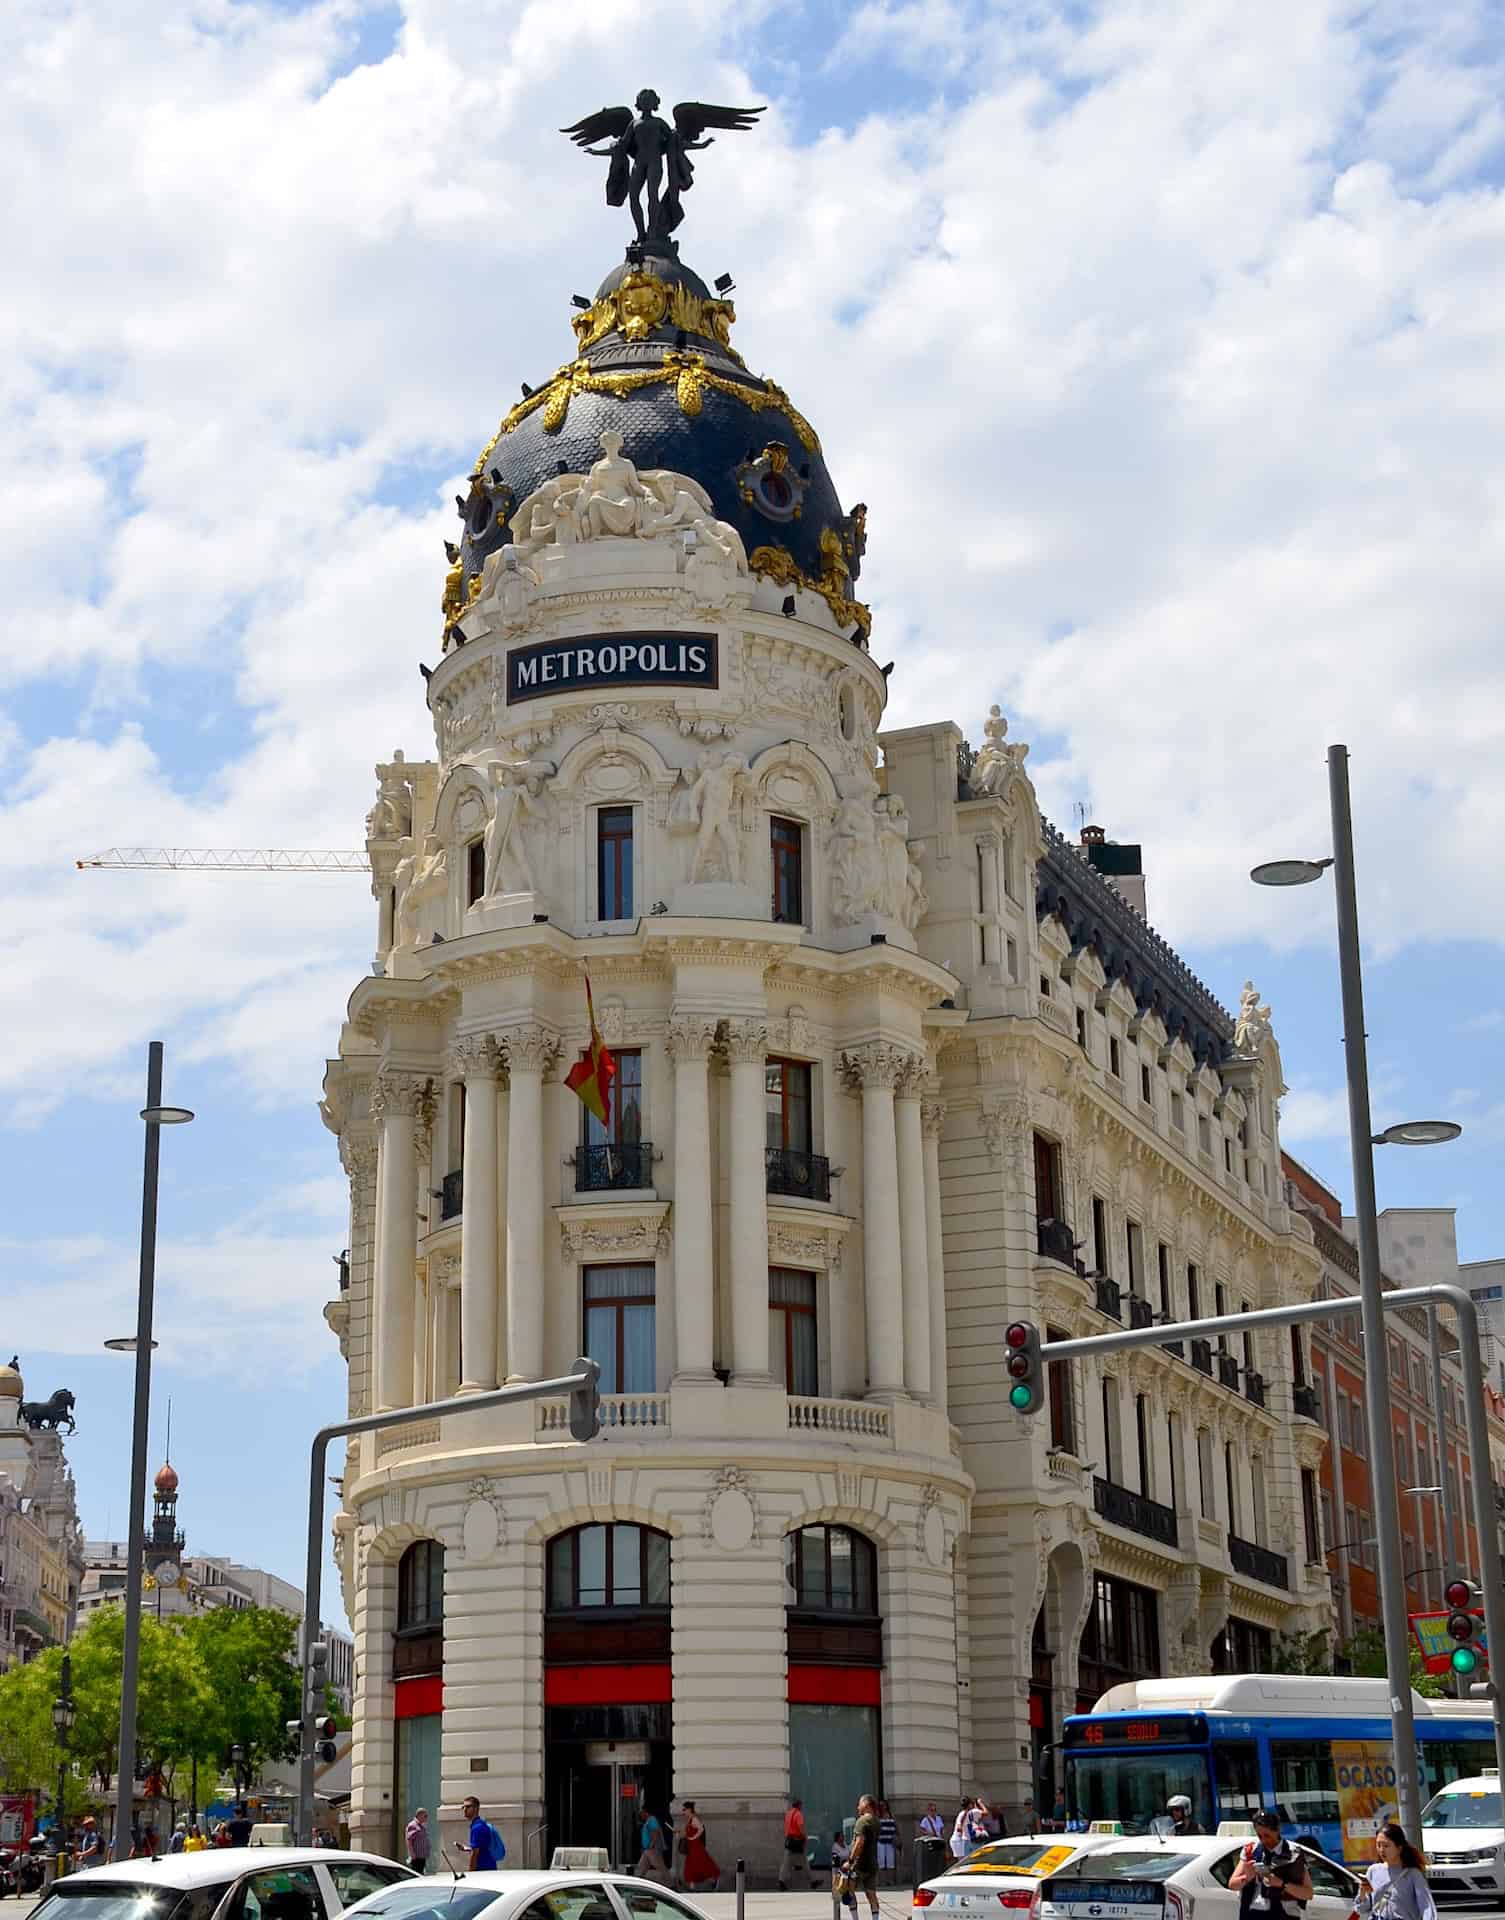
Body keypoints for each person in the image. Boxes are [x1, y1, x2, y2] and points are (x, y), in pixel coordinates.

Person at [1230, 1810, 1313, 1920]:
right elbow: (1232, 1884)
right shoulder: (1250, 1851)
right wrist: (1247, 1877)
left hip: (1283, 1915)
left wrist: (1282, 1884)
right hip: (1252, 1913)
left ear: (1278, 1830)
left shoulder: (1294, 1854)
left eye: (1267, 1835)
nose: (1264, 1840)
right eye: (1259, 1836)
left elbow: (1308, 1893)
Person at [1360, 1825, 1436, 1920]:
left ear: (1399, 1848)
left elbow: (1426, 1906)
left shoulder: (1413, 1874)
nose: (1381, 1850)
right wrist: (1362, 1894)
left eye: (1386, 1846)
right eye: (1378, 1845)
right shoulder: (1373, 1871)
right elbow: (1362, 1909)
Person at [842, 1795, 880, 1918]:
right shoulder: (876, 1821)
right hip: (872, 1864)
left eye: (860, 1804)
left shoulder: (862, 1821)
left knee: (849, 1891)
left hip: (858, 1864)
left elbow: (859, 1843)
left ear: (867, 1805)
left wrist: (850, 1861)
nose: (858, 1807)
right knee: (871, 1894)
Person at [680, 1801, 720, 1891]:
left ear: (689, 1810)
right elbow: (689, 1832)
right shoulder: (690, 1820)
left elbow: (701, 1829)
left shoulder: (694, 1819)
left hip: (696, 1846)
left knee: (701, 1864)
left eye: (684, 1809)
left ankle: (714, 1878)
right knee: (691, 1866)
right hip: (691, 1846)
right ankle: (692, 1886)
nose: (683, 1812)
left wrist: (693, 1837)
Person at [463, 1796, 503, 1870]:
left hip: (483, 1871)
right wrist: (467, 1848)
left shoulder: (477, 1827)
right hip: (488, 1868)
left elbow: (474, 1854)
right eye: (463, 1807)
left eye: (468, 1807)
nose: (465, 1809)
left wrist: (471, 1872)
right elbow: (482, 1848)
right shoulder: (480, 1824)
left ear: (476, 1808)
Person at [780, 1798, 808, 1890]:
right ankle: (812, 1880)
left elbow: (786, 1827)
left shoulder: (788, 1814)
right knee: (804, 1859)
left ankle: (781, 1880)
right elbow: (800, 1827)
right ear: (799, 1805)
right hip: (797, 1840)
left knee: (786, 1862)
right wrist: (805, 1837)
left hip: (789, 1840)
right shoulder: (798, 1814)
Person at [635, 1807, 667, 1883]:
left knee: (660, 1866)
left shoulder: (652, 1820)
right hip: (647, 1849)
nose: (641, 1815)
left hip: (652, 1848)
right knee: (641, 1867)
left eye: (642, 1813)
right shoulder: (648, 1821)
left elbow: (655, 1832)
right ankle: (638, 1883)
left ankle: (670, 1884)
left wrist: (652, 1844)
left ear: (646, 1813)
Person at [877, 1803, 899, 1885]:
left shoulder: (891, 1816)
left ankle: (890, 1880)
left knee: (890, 1863)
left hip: (890, 1842)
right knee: (881, 1862)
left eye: (885, 1805)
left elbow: (896, 1827)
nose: (884, 1807)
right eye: (882, 1806)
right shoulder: (878, 1816)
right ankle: (882, 1881)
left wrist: (898, 1837)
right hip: (881, 1842)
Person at [405, 1807, 431, 1874]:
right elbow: (409, 1841)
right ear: (419, 1815)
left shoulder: (421, 1826)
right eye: (425, 1816)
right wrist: (412, 1854)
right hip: (416, 1857)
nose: (426, 1818)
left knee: (421, 1874)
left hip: (422, 1857)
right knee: (416, 1874)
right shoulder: (413, 1825)